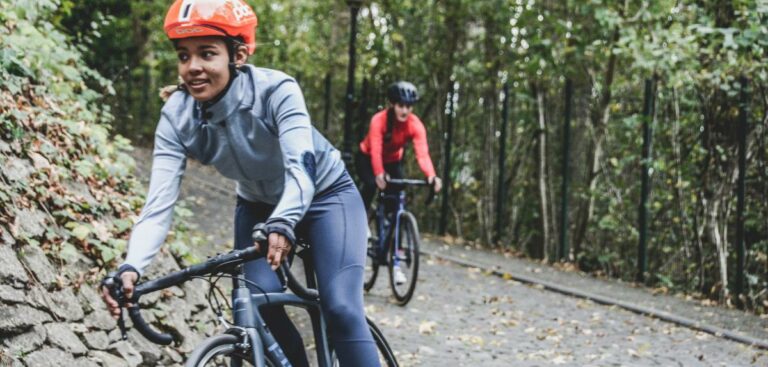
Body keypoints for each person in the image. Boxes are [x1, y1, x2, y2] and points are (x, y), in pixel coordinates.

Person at [100, 1, 379, 366]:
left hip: (326, 196)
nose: (193, 67)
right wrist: (132, 265)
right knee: (255, 305)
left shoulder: (276, 90)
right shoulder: (177, 117)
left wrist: (285, 220)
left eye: (207, 54)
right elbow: (158, 205)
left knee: (341, 307)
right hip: (258, 206)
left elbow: (301, 168)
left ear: (239, 55)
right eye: (184, 56)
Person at [355, 81, 442, 284]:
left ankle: (395, 260)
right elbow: (375, 149)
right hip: (367, 157)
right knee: (370, 185)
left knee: (398, 204)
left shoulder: (415, 125)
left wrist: (431, 175)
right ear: (392, 104)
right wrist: (378, 174)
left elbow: (422, 153)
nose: (405, 110)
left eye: (408, 106)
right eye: (401, 105)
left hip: (393, 161)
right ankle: (361, 221)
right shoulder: (379, 121)